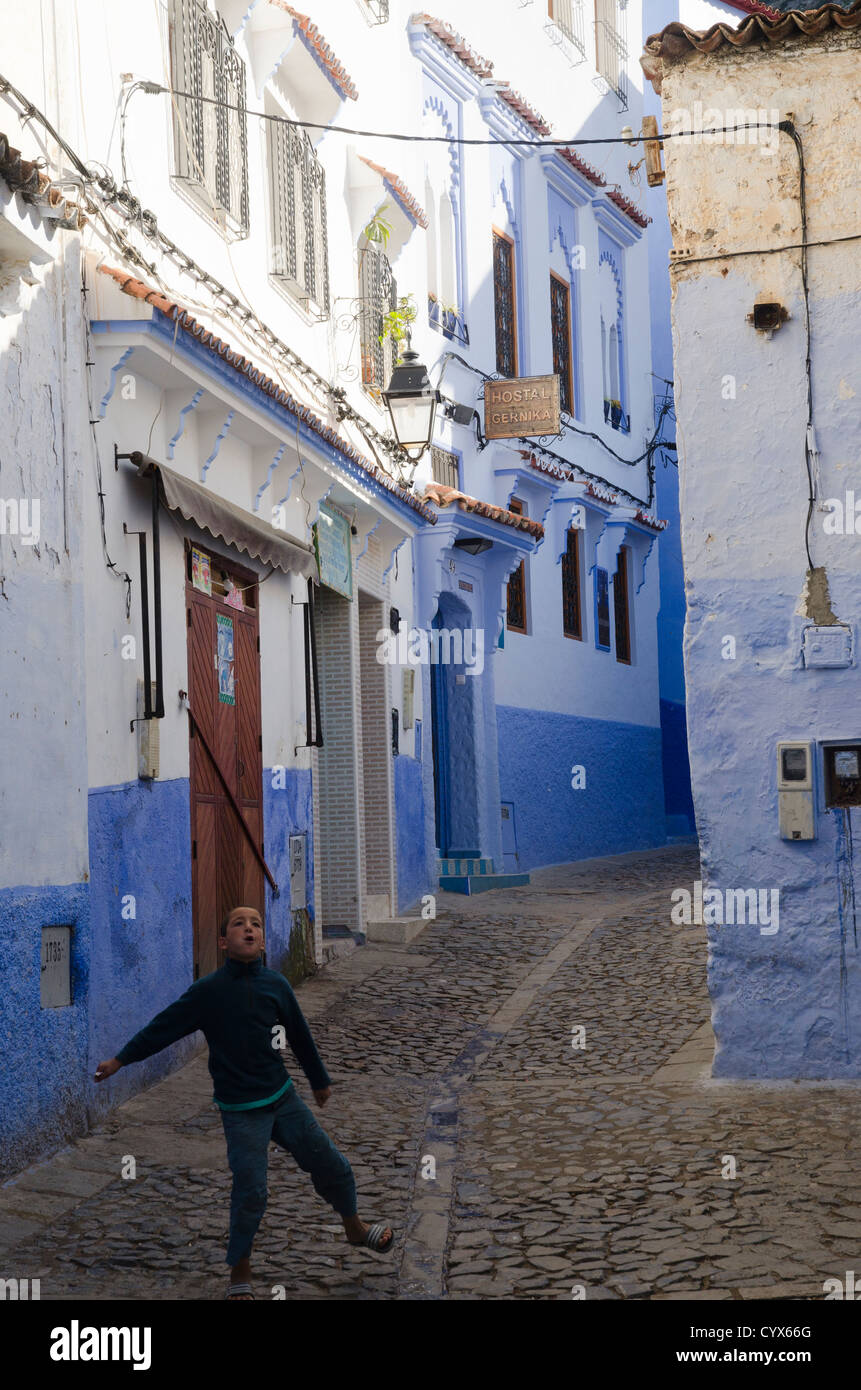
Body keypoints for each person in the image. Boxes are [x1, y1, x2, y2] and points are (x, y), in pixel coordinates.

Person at [94, 905, 393, 1299]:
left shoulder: (276, 986)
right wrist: (120, 1060)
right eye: (238, 924)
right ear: (223, 942)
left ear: (263, 941)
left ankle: (353, 1227)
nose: (248, 929)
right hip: (240, 1110)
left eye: (255, 924)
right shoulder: (209, 992)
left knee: (331, 1163)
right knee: (251, 1190)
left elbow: (299, 1035)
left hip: (282, 1097)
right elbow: (162, 1028)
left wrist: (319, 1081)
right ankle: (241, 1272)